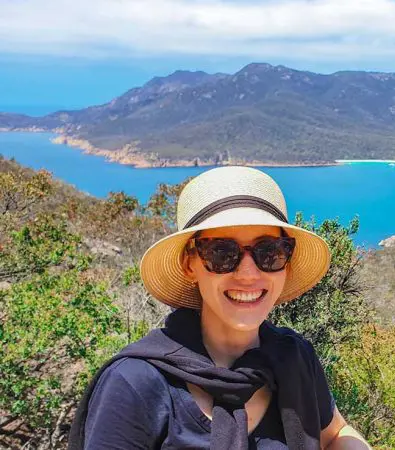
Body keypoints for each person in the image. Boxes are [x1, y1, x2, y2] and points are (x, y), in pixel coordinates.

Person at [68, 166, 372, 449]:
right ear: (190, 264)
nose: (248, 273)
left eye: (270, 252)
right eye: (222, 253)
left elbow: (335, 433)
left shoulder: (294, 358)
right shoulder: (135, 384)